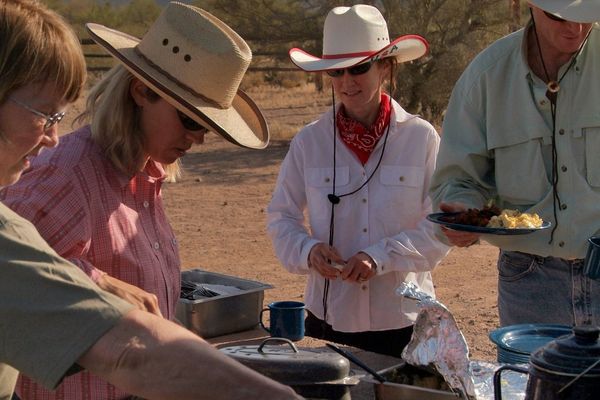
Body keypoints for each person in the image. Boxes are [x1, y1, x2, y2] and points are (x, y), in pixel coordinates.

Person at [0, 1, 300, 399]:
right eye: (191, 119)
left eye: (208, 125)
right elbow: (28, 277)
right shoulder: (65, 174)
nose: (198, 137)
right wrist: (98, 282)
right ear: (141, 92)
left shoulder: (144, 179)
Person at [267, 4, 450, 358]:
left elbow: (439, 227)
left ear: (385, 67)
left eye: (359, 68)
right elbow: (280, 217)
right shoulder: (310, 141)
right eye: (337, 71)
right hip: (329, 318)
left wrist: (379, 257)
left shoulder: (421, 137)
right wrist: (309, 251)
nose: (347, 82)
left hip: (402, 319)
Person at [429, 0, 600, 327]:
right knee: (528, 380)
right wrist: (463, 214)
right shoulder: (486, 77)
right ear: (531, 6)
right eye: (560, 16)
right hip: (530, 281)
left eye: (586, 16)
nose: (575, 28)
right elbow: (458, 180)